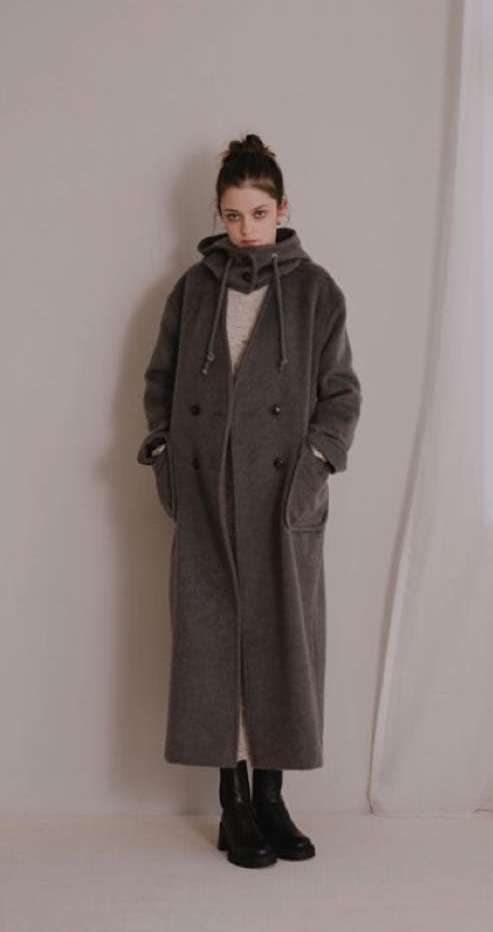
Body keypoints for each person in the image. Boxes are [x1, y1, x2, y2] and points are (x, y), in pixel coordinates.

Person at [137, 134, 362, 869]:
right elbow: (161, 382)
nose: (245, 228)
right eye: (232, 215)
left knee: (279, 643)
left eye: (258, 213)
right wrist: (165, 456)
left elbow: (340, 394)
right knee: (211, 647)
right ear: (218, 213)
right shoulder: (192, 288)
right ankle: (232, 805)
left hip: (279, 499)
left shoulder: (316, 291)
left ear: (282, 209)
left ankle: (271, 798)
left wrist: (316, 464)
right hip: (206, 494)